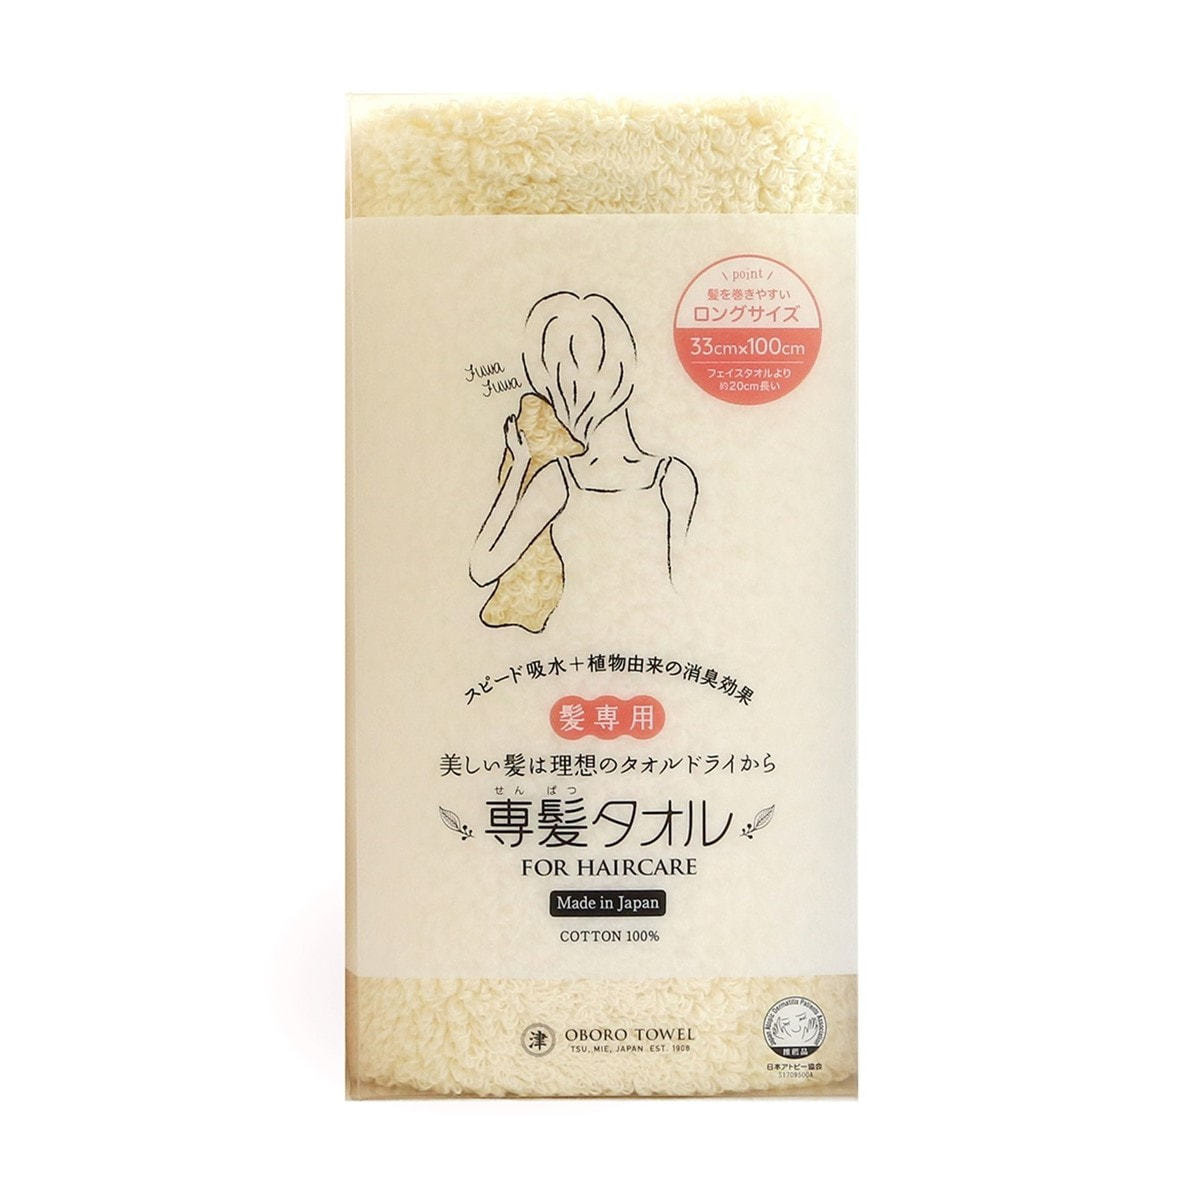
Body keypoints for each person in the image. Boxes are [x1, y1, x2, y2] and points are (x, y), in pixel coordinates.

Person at [470, 292, 698, 631]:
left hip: (575, 647)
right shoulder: (674, 476)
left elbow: (482, 568)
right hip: (659, 646)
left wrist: (519, 468)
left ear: (557, 390)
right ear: (626, 368)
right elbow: (690, 588)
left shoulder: (559, 479)